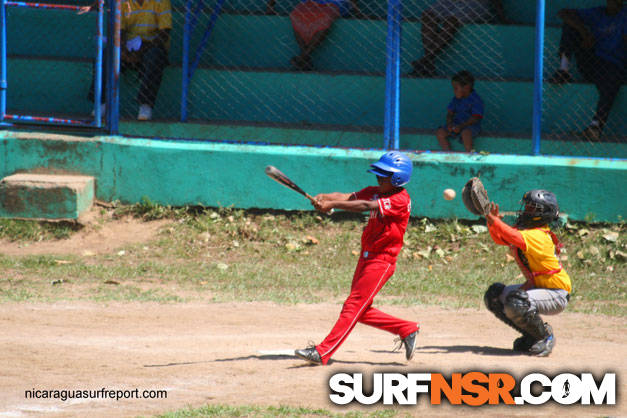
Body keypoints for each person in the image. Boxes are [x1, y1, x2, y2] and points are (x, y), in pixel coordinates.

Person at [294, 151, 419, 365]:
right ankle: (406, 329)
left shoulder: (399, 199)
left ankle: (323, 352)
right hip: (367, 257)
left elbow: (365, 207)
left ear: (398, 178)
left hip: (382, 260)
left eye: (384, 175)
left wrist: (333, 206)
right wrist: (325, 198)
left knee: (353, 305)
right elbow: (348, 198)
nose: (379, 178)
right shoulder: (375, 191)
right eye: (378, 173)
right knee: (359, 310)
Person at [483, 190, 572, 357]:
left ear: (544, 214)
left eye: (532, 209)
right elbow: (501, 238)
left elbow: (511, 235)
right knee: (495, 296)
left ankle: (544, 336)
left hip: (556, 293)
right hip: (539, 289)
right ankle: (532, 336)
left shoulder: (539, 235)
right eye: (527, 207)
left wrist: (492, 219)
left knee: (516, 302)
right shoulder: (527, 232)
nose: (526, 211)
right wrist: (492, 223)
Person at [547, 0, 625, 140]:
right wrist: (584, 32)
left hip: (615, 64)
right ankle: (564, 70)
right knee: (571, 25)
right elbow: (564, 13)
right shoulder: (597, 12)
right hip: (593, 60)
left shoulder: (624, 15)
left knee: (612, 82)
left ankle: (595, 126)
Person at [87, 0, 172, 121]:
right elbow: (119, 30)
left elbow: (164, 33)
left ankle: (145, 105)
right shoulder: (123, 2)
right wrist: (122, 50)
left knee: (155, 56)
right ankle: (102, 103)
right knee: (106, 54)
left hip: (151, 47)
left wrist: (141, 51)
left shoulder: (162, 1)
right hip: (128, 47)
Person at [410, 0, 506, 77]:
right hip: (451, 2)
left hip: (475, 3)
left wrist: (502, 17)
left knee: (451, 21)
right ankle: (427, 62)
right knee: (428, 15)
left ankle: (425, 61)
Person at [267, 0, 360, 71]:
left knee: (325, 18)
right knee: (296, 15)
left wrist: (357, 10)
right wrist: (270, 6)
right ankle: (305, 57)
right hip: (311, 2)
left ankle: (303, 57)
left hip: (336, 2)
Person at [436, 70, 483, 152]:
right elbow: (450, 113)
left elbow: (475, 118)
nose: (454, 91)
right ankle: (448, 154)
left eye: (455, 88)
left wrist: (461, 126)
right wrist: (449, 124)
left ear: (466, 87)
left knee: (466, 134)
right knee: (440, 133)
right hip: (455, 125)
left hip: (470, 126)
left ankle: (469, 155)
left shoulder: (476, 100)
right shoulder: (456, 99)